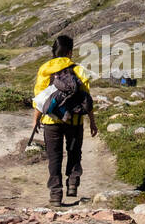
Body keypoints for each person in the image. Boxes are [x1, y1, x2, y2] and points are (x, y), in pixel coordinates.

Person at [32, 35, 97, 204]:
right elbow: (86, 99)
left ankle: (55, 194)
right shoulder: (78, 69)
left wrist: (35, 120)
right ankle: (73, 183)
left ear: (54, 51)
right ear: (70, 52)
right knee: (74, 152)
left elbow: (39, 97)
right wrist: (92, 121)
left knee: (54, 157)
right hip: (74, 121)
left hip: (51, 122)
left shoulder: (44, 69)